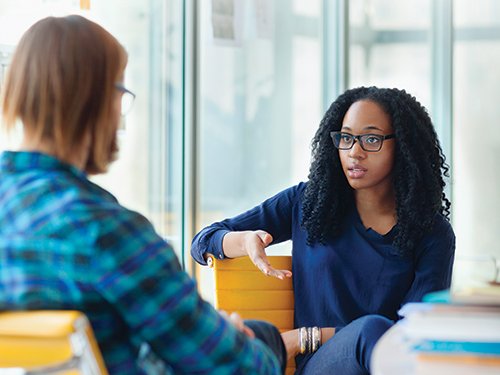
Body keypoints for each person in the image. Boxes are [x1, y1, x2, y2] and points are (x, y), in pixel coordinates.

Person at [0, 15, 286, 374]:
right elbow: (241, 367)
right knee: (264, 340)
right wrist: (238, 340)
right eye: (119, 93)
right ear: (96, 102)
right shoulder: (107, 231)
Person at [191, 86, 456, 374]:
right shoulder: (308, 203)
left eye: (371, 139)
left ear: (404, 146)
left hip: (389, 364)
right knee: (371, 329)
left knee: (374, 330)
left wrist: (305, 337)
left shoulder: (433, 234)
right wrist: (243, 241)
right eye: (346, 138)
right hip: (321, 367)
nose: (355, 152)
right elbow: (203, 241)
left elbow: (414, 334)